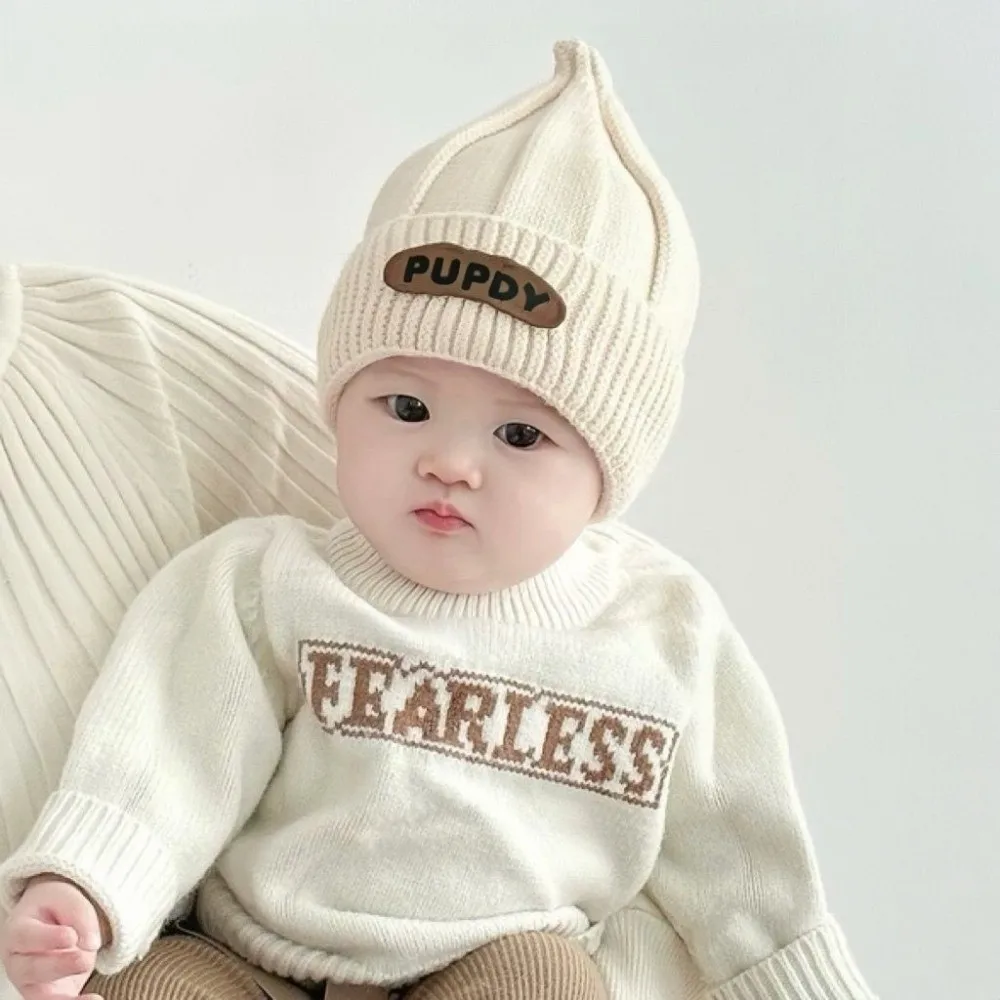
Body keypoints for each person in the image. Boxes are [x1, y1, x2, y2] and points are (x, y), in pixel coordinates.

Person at [0, 39, 877, 1000]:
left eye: (519, 434)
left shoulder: (663, 631)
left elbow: (742, 858)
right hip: (249, 952)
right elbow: (165, 756)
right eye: (406, 409)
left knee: (547, 987)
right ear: (339, 406)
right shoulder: (266, 580)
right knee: (146, 988)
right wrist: (87, 888)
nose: (451, 463)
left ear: (608, 473)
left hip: (496, 956)